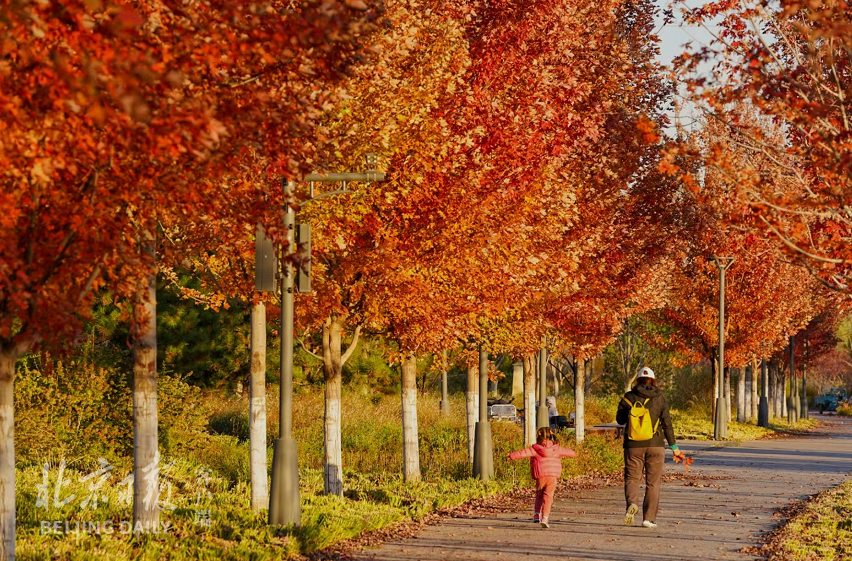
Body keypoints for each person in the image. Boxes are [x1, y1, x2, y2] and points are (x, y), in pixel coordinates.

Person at [616, 367, 685, 529]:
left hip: (633, 445)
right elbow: (667, 424)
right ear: (653, 381)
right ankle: (648, 519)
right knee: (653, 483)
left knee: (632, 478)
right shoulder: (660, 398)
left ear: (637, 380)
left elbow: (619, 420)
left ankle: (632, 504)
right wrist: (674, 446)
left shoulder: (629, 397)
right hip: (655, 445)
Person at [507, 427, 577, 528]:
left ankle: (536, 515)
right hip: (552, 476)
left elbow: (523, 453)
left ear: (539, 436)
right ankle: (545, 518)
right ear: (551, 436)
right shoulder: (556, 449)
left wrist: (511, 456)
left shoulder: (536, 449)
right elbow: (570, 452)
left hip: (541, 475)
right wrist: (576, 454)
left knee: (539, 494)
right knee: (548, 497)